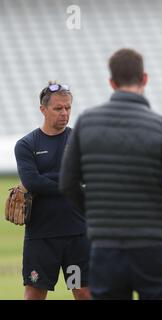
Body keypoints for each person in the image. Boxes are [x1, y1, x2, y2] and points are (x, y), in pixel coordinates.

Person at [59, 48, 162, 300]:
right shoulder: (161, 126)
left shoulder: (86, 123)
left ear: (111, 82)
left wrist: (95, 218)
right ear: (144, 79)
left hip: (105, 247)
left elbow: (67, 184)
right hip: (155, 246)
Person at [14, 82, 91, 300]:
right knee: (35, 295)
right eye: (58, 108)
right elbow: (32, 181)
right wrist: (70, 182)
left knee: (84, 292)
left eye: (67, 107)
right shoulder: (27, 144)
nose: (64, 113)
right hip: (41, 237)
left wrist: (47, 179)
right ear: (43, 109)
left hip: (77, 234)